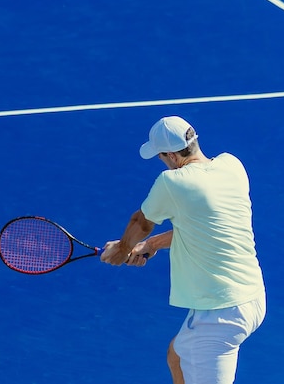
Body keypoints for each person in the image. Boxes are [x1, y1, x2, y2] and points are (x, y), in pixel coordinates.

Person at [100, 116, 266, 384]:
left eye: (160, 156)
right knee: (177, 356)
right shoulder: (232, 165)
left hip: (221, 314)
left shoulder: (172, 182)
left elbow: (141, 222)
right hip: (253, 296)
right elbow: (204, 227)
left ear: (170, 155)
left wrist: (122, 249)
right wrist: (151, 245)